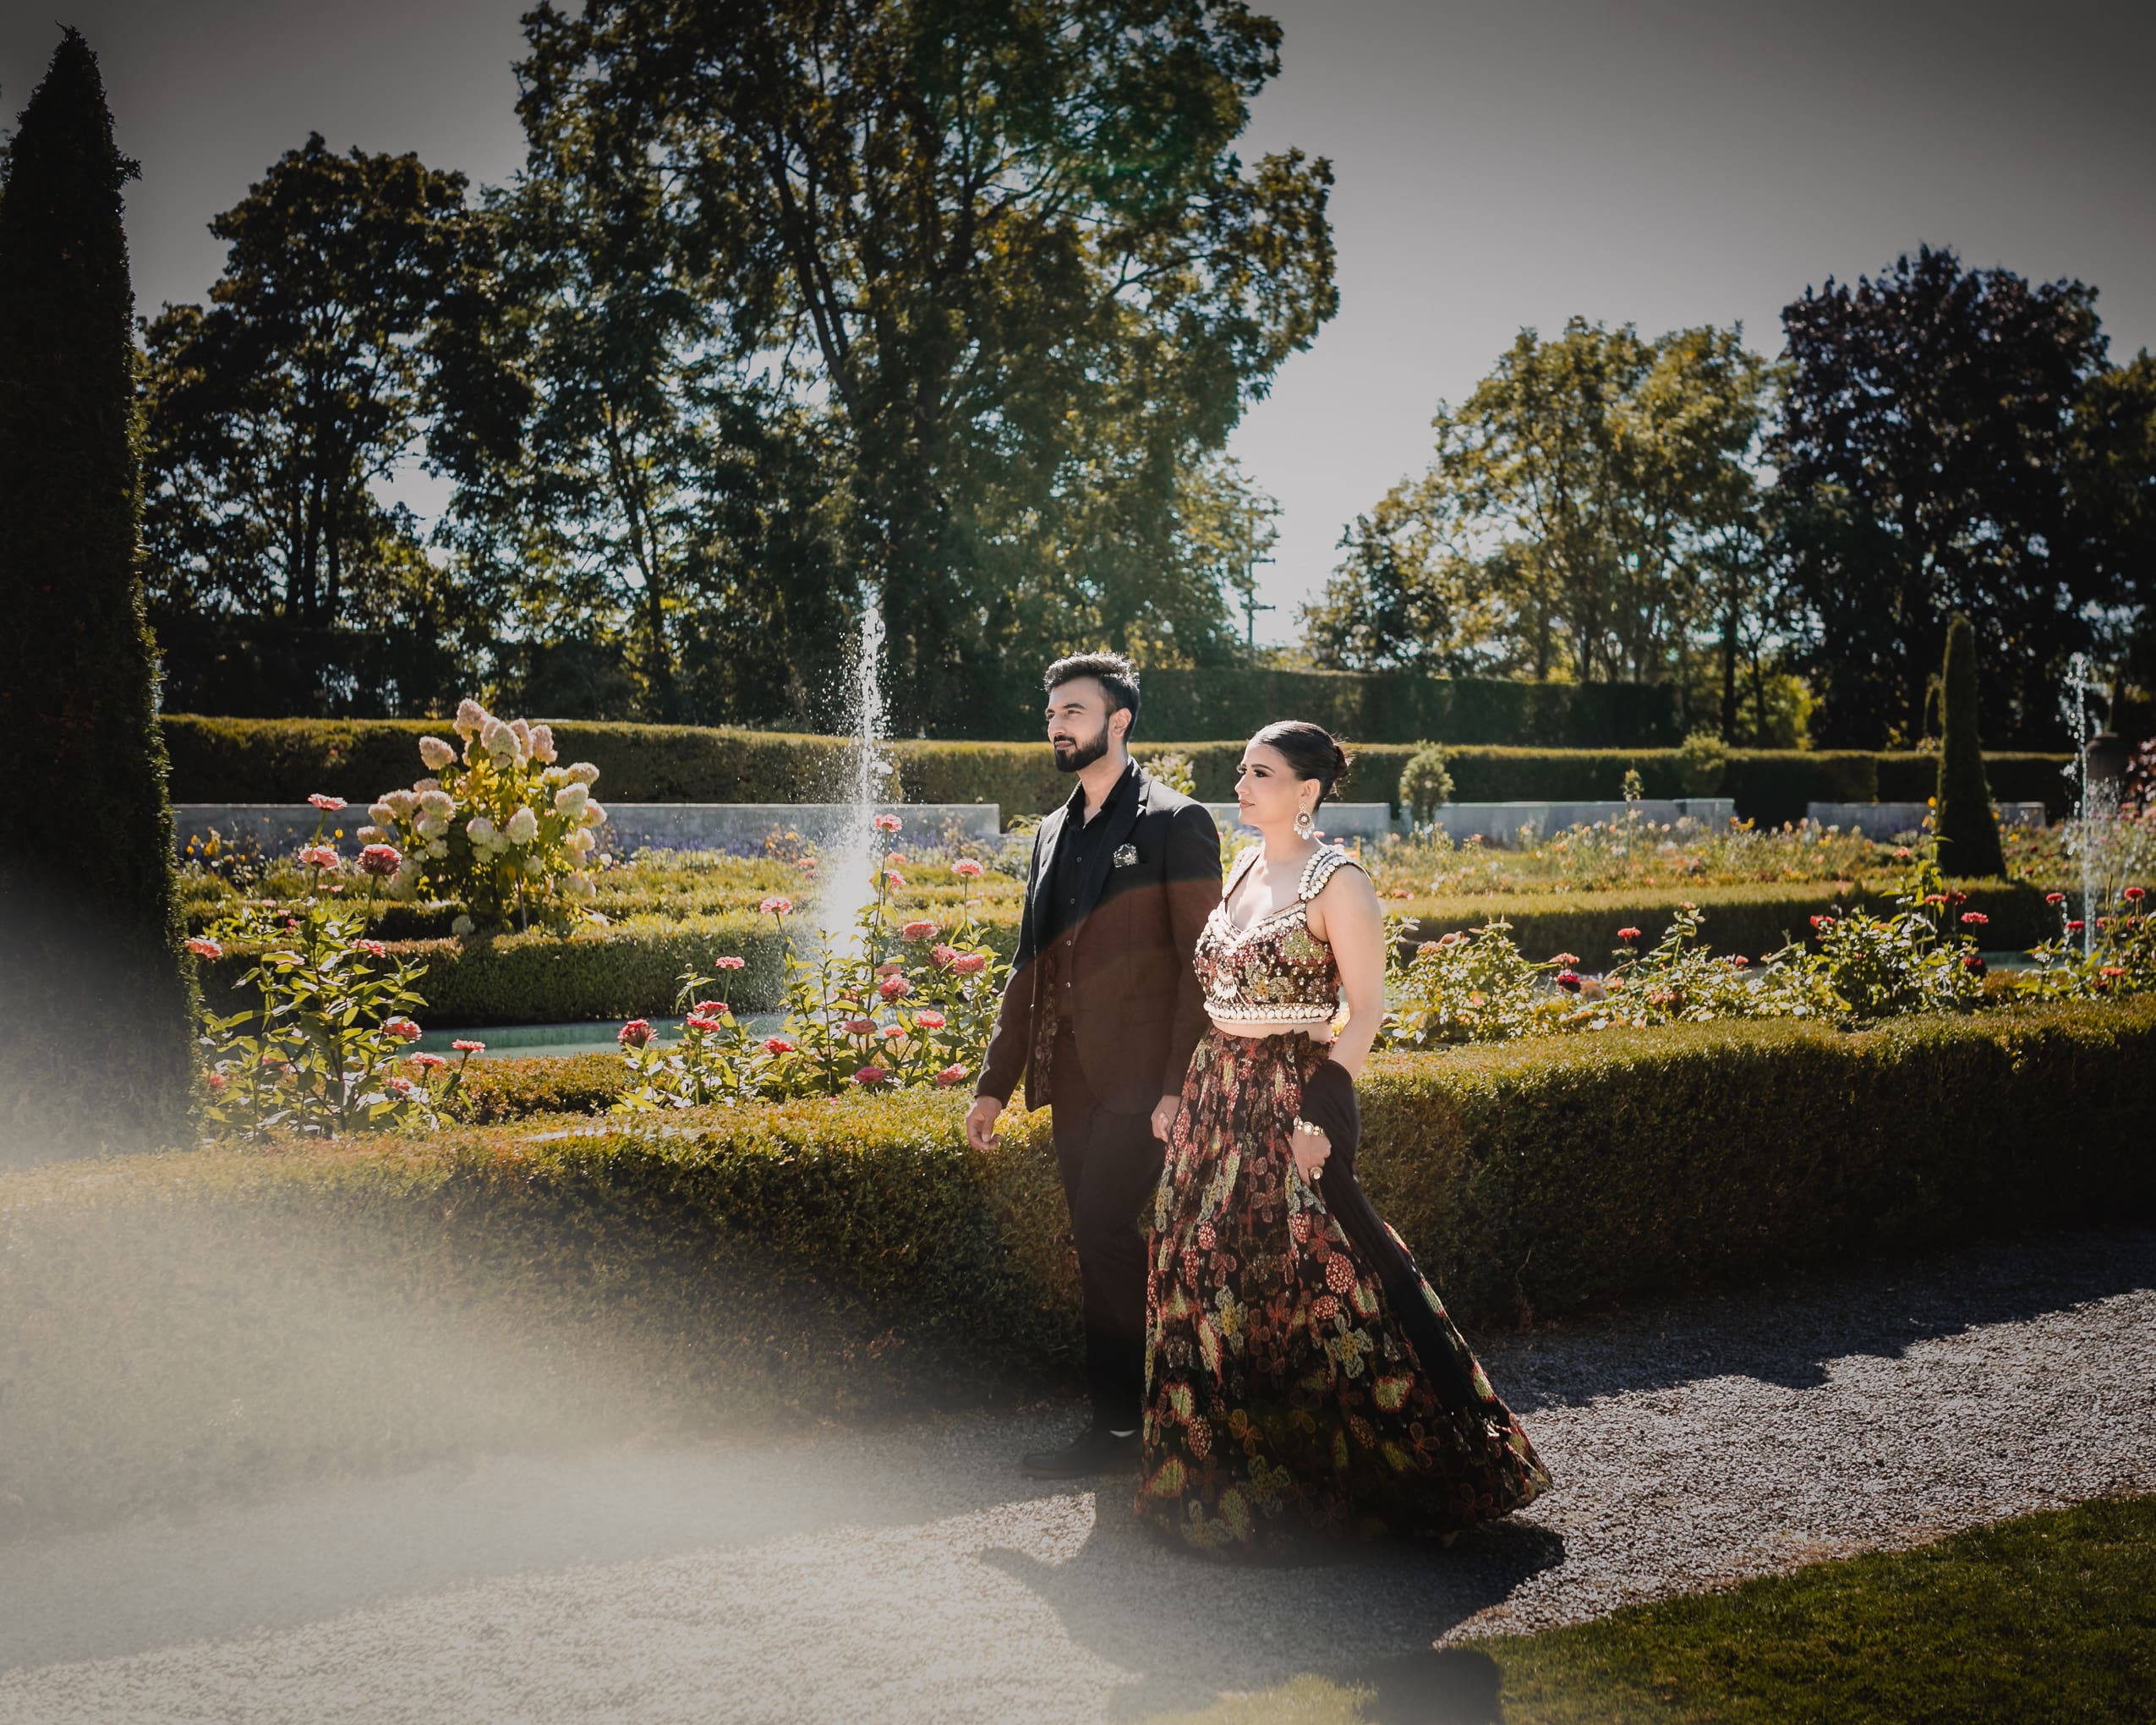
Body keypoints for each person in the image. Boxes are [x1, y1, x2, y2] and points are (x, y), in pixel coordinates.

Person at [1136, 720, 1550, 1556]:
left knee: (1312, 1282)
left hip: (1289, 1099)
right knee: (1197, 1277)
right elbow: (1214, 998)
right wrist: (1177, 1091)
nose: (1242, 786)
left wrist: (1317, 1117)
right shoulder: (1247, 865)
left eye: (1260, 773)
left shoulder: (1339, 881)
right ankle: (1216, 1480)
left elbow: (1365, 1013)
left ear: (1308, 791)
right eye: (1241, 771)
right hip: (1215, 1098)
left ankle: (1347, 1479)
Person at [967, 653, 1223, 1479]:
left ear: (1119, 721)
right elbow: (1027, 966)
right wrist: (993, 1086)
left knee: (1102, 1229)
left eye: (1073, 711)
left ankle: (1169, 1404)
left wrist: (1176, 1087)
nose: (1056, 725)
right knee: (1096, 1240)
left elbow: (1202, 962)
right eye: (1051, 714)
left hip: (1144, 1084)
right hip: (1069, 1081)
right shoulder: (1048, 832)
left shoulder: (1175, 821)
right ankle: (1121, 1428)